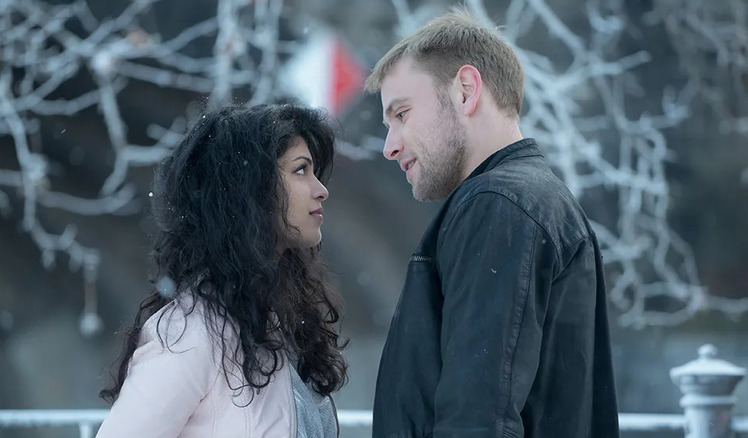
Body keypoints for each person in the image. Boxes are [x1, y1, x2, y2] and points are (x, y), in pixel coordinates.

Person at [363, 9, 619, 438]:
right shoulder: (532, 201)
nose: (389, 146)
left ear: (465, 91)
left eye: (401, 114)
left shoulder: (499, 205)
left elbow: (479, 417)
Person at [96, 103, 347, 438]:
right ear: (250, 190)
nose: (321, 189)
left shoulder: (280, 321)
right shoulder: (192, 333)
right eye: (301, 170)